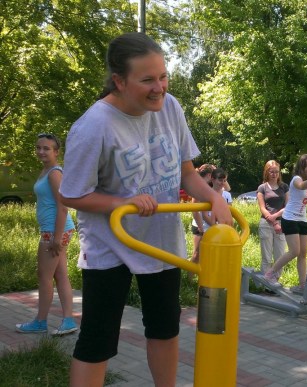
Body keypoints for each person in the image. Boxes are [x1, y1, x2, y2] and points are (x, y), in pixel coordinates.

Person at [59, 32, 232, 387]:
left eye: (163, 76)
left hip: (160, 238)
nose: (159, 88)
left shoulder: (170, 108)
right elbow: (71, 194)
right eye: (147, 80)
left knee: (165, 328)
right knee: (98, 338)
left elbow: (186, 173)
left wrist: (214, 197)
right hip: (111, 242)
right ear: (119, 81)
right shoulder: (94, 126)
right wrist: (121, 202)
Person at [15, 133, 78, 336]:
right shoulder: (46, 171)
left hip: (55, 231)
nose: (41, 151)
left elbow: (63, 207)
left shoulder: (54, 173)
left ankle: (40, 322)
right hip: (53, 229)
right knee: (60, 275)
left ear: (56, 152)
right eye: (38, 147)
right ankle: (68, 321)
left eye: (46, 148)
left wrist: (57, 238)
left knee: (44, 276)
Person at [263, 154, 307, 293]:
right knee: (294, 251)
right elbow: (301, 186)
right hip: (290, 218)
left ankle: (303, 285)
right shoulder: (297, 179)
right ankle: (270, 273)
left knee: (302, 254)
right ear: (301, 167)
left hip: (302, 220)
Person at [256, 160, 289, 284]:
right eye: (272, 172)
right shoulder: (262, 188)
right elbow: (262, 208)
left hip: (281, 223)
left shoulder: (284, 187)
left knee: (280, 255)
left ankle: (275, 281)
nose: (274, 174)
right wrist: (272, 220)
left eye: (276, 172)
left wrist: (276, 216)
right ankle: (266, 284)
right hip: (266, 223)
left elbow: (288, 205)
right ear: (267, 172)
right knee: (266, 257)